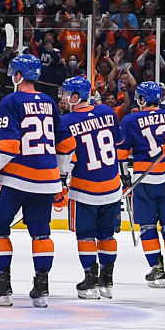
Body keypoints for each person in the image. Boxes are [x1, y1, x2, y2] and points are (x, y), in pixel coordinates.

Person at [0, 54, 61, 307]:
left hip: (17, 177)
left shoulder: (10, 101)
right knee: (41, 233)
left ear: (17, 75)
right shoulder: (49, 102)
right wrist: (61, 177)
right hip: (47, 178)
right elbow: (65, 144)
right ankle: (42, 288)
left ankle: (2, 286)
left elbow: (8, 146)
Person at [55, 75, 123, 299]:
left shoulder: (66, 121)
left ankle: (90, 280)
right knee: (107, 235)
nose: (63, 97)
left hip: (84, 189)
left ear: (76, 97)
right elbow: (117, 142)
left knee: (85, 236)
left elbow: (65, 158)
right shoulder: (107, 112)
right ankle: (107, 281)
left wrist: (59, 183)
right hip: (112, 186)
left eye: (67, 94)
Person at [119, 80, 165, 289]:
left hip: (144, 180)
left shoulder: (130, 120)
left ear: (142, 99)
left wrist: (125, 179)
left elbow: (122, 155)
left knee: (147, 226)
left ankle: (157, 270)